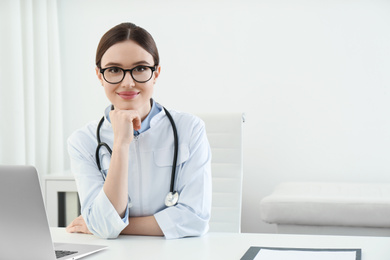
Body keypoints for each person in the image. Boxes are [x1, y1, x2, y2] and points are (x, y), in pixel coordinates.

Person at [66, 22, 212, 239]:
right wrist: (120, 144)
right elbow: (104, 227)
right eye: (114, 70)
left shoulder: (190, 129)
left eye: (140, 69)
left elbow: (195, 220)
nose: (128, 82)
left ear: (156, 73)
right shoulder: (83, 142)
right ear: (99, 75)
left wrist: (110, 225)